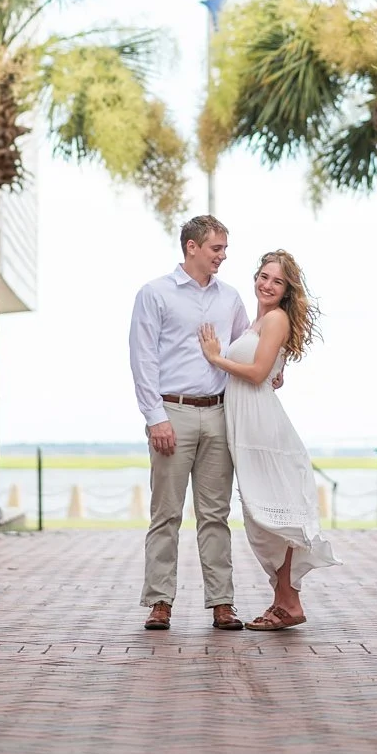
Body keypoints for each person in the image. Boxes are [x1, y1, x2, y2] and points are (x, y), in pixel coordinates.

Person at [199, 248, 339, 629]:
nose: (267, 285)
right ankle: (283, 601)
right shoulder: (257, 322)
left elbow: (259, 373)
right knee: (261, 517)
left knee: (272, 514)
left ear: (286, 290)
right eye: (264, 277)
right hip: (248, 426)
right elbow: (269, 368)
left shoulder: (275, 319)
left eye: (277, 281)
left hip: (262, 428)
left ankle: (289, 604)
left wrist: (215, 358)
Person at [130, 214, 256, 631]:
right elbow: (143, 358)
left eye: (224, 249)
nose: (223, 256)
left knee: (216, 515)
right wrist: (155, 418)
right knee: (166, 514)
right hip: (173, 413)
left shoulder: (230, 298)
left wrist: (272, 369)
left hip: (219, 414)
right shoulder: (154, 293)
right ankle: (159, 602)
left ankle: (222, 602)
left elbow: (245, 347)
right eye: (217, 248)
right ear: (192, 247)